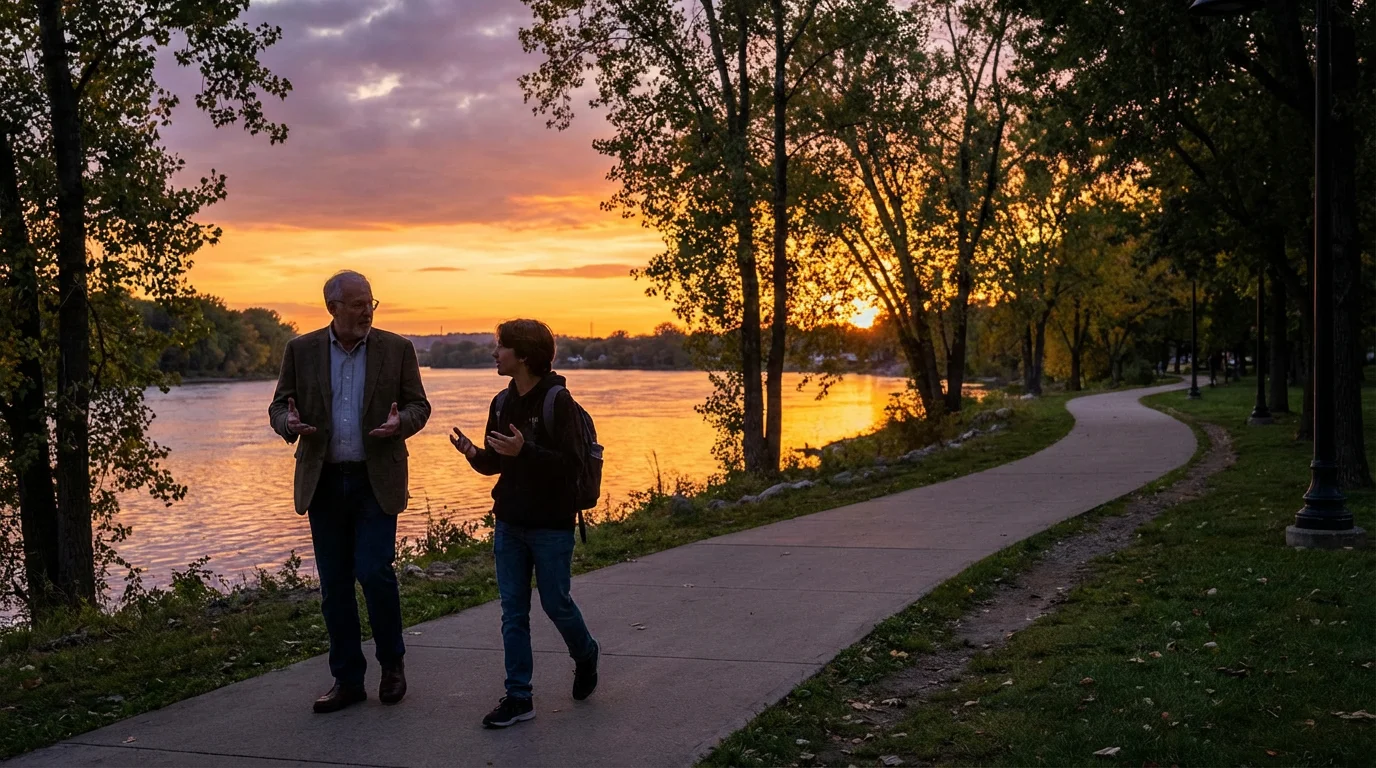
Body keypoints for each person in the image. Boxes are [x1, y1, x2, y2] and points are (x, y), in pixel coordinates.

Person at [268, 270, 431, 713]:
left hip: (374, 478)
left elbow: (420, 405)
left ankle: (392, 665)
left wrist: (403, 424)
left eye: (371, 303)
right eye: (358, 304)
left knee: (375, 571)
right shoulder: (300, 350)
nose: (366, 312)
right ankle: (347, 679)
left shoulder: (397, 349)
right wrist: (290, 424)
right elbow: (279, 405)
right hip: (323, 480)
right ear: (332, 307)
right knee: (334, 584)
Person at [450, 319, 599, 729]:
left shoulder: (558, 401)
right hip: (510, 524)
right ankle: (519, 697)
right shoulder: (501, 403)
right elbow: (496, 463)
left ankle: (586, 654)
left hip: (551, 525)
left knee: (556, 604)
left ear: (525, 355)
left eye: (501, 348)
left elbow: (571, 467)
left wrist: (526, 450)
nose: (494, 354)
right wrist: (472, 454)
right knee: (513, 613)